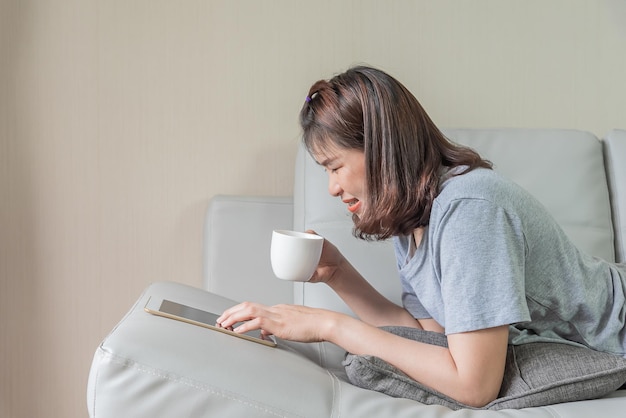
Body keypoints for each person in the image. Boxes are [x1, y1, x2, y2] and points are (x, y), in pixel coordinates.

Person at [217, 66, 626, 407]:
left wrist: (330, 326)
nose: (332, 188)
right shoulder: (413, 219)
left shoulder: (468, 209)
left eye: (335, 166)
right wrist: (339, 273)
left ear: (380, 148)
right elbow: (432, 338)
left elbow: (474, 385)